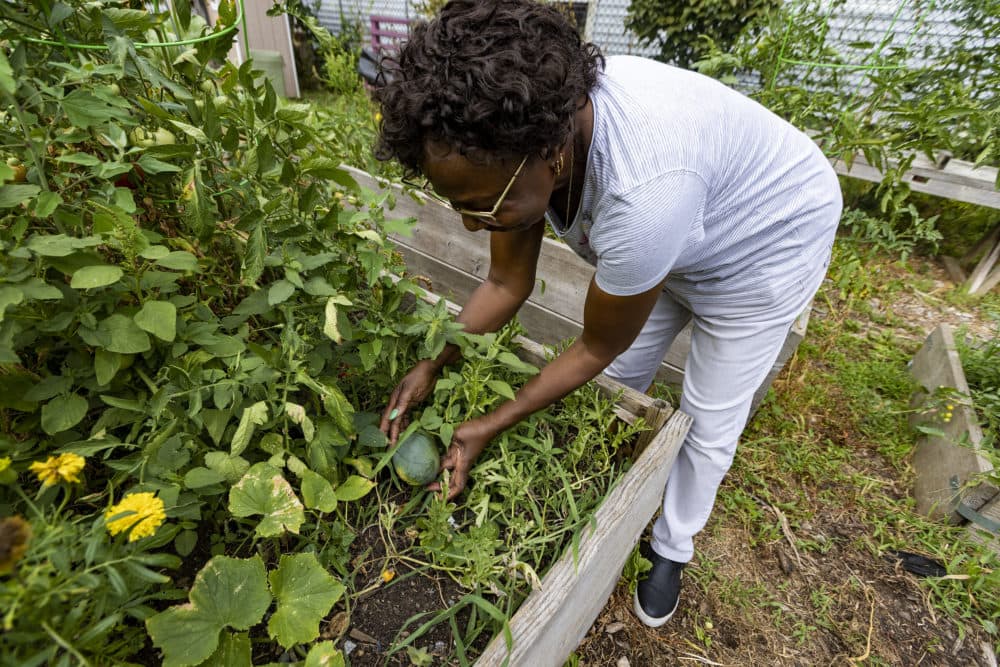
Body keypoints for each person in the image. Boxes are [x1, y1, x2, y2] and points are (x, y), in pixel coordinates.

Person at [375, 0, 841, 628]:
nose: (470, 222)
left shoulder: (641, 195)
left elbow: (597, 346)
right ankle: (619, 481)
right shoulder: (520, 138)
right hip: (680, 220)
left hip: (768, 238)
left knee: (706, 416)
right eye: (459, 205)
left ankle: (672, 546)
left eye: (483, 206)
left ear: (550, 153)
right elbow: (508, 280)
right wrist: (435, 360)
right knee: (625, 386)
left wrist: (488, 423)